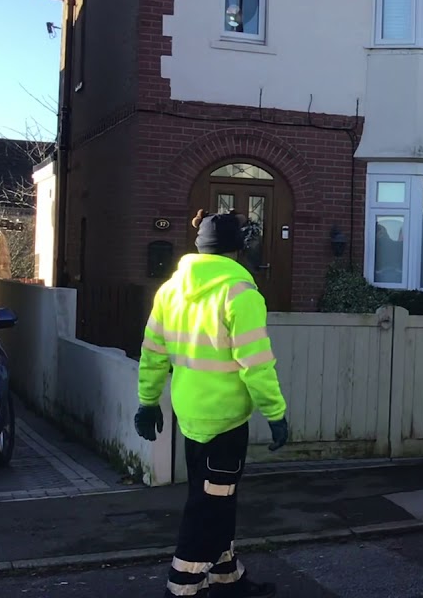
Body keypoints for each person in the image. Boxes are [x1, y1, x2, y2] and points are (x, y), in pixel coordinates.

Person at [135, 209, 290, 598]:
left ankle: (225, 577)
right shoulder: (240, 293)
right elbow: (256, 363)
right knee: (211, 507)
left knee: (210, 497)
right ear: (238, 249)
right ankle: (182, 587)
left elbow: (153, 352)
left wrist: (148, 401)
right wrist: (275, 413)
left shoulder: (169, 291)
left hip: (189, 415)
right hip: (225, 421)